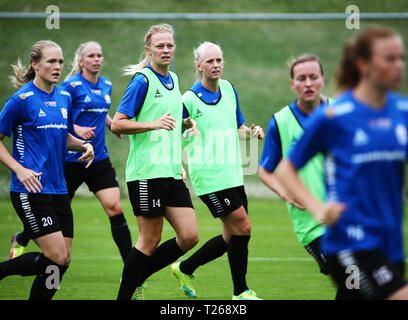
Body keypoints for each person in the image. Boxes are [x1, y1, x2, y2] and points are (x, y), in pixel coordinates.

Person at [275, 27, 408, 300]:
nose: (399, 66)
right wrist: (318, 209)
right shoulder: (334, 116)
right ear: (364, 65)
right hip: (350, 241)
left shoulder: (402, 112)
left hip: (391, 242)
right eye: (389, 59)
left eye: (401, 58)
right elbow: (285, 169)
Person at [9, 41, 133, 264]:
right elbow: (57, 120)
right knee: (55, 238)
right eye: (91, 55)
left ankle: (132, 269)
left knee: (114, 206)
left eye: (99, 55)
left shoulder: (106, 85)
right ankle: (23, 237)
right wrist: (78, 131)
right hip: (66, 162)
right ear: (80, 61)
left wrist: (111, 126)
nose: (96, 59)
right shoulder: (68, 87)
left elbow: (97, 113)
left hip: (96, 157)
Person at [110, 23, 199, 300]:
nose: (165, 50)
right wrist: (152, 124)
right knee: (149, 240)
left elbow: (168, 121)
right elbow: (117, 124)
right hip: (146, 173)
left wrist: (186, 122)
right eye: (159, 45)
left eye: (169, 45)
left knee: (189, 236)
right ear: (148, 49)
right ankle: (126, 295)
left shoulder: (174, 80)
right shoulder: (142, 80)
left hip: (171, 172)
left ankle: (137, 277)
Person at [0, 40, 94, 299]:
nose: (57, 66)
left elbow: (63, 137)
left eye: (61, 61)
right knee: (56, 255)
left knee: (62, 262)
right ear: (35, 64)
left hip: (59, 189)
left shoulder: (64, 96)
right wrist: (20, 169)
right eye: (51, 61)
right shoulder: (20, 100)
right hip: (30, 189)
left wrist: (83, 145)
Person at [170, 41, 264, 300]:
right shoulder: (187, 100)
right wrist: (176, 163)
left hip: (232, 173)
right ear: (198, 66)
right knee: (243, 227)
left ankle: (184, 268)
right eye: (209, 61)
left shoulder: (229, 89)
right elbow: (170, 134)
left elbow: (237, 128)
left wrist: (252, 134)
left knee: (230, 235)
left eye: (219, 60)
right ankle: (240, 292)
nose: (215, 65)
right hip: (208, 176)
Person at [258, 54, 334, 287]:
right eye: (301, 78)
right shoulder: (281, 122)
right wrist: (285, 192)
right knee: (352, 279)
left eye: (313, 77)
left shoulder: (340, 113)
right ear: (293, 84)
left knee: (355, 283)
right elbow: (265, 170)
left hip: (346, 216)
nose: (308, 83)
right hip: (311, 224)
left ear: (322, 80)